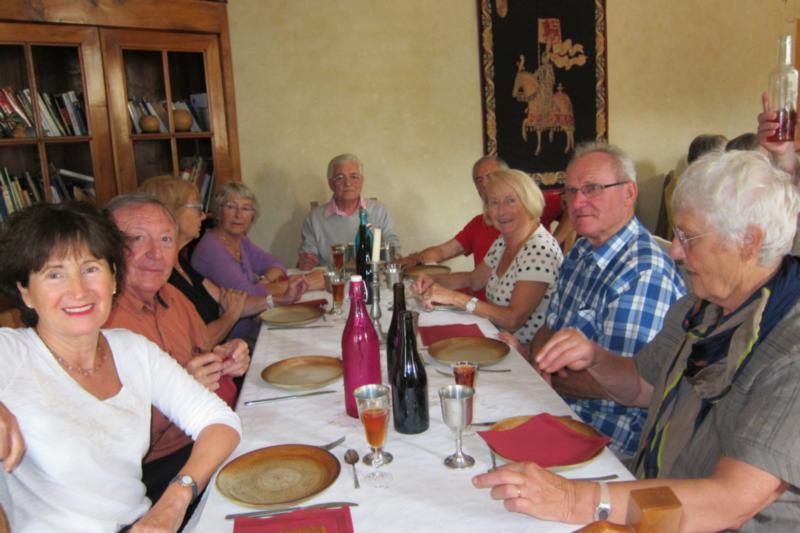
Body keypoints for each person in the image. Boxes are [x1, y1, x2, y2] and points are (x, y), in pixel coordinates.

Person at [475, 150, 800, 531]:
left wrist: (572, 498)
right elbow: (643, 387)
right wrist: (595, 357)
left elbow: (731, 500)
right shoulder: (699, 307)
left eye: (687, 236)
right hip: (648, 490)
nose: (675, 251)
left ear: (749, 241)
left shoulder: (789, 349)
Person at [0, 201, 241, 532]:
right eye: (54, 274)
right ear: (25, 292)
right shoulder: (11, 353)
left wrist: (174, 501)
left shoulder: (131, 349)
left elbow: (220, 422)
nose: (78, 290)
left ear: (114, 278)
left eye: (91, 269)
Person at [520, 142, 686, 460]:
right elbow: (547, 328)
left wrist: (536, 365)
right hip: (556, 408)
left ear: (629, 193)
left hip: (606, 440)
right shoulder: (581, 252)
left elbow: (615, 387)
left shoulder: (644, 272)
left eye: (592, 189)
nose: (577, 202)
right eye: (570, 191)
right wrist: (539, 361)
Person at [104, 193, 249, 514]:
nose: (155, 253)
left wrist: (227, 356)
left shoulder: (173, 297)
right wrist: (180, 392)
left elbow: (204, 353)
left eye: (166, 239)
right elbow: (107, 441)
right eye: (137, 238)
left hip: (208, 439)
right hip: (154, 472)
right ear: (107, 247)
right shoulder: (99, 319)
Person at [139, 176, 305, 345]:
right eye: (197, 207)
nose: (203, 215)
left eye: (246, 208)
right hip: (225, 352)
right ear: (170, 212)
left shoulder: (181, 265)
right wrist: (230, 316)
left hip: (229, 350)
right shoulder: (161, 277)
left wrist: (281, 299)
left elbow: (238, 301)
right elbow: (198, 341)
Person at [412, 169, 562, 344]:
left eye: (511, 201)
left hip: (525, 356)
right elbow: (474, 279)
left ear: (529, 202)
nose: (502, 211)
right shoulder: (504, 240)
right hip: (494, 339)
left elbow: (513, 320)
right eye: (494, 203)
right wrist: (433, 279)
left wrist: (454, 298)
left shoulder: (540, 250)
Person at [191, 181, 318, 341]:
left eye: (245, 208)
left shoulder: (240, 241)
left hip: (254, 327)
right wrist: (306, 283)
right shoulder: (211, 249)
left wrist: (265, 281)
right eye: (231, 207)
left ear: (252, 216)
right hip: (232, 341)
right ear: (218, 211)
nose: (239, 215)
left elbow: (276, 263)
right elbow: (247, 295)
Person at [297, 153, 400, 270]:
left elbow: (393, 246)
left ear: (362, 181)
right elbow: (307, 257)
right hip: (332, 284)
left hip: (371, 280)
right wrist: (306, 261)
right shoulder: (314, 218)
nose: (348, 183)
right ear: (331, 183)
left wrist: (393, 255)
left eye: (354, 177)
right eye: (340, 178)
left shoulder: (379, 211)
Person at [400, 156, 505, 269]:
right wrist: (415, 259)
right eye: (479, 180)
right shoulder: (478, 223)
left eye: (490, 176)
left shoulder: (521, 222)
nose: (484, 184)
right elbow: (443, 251)